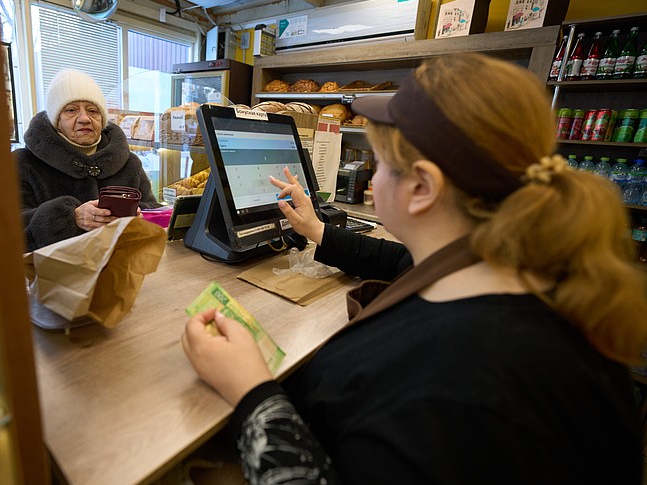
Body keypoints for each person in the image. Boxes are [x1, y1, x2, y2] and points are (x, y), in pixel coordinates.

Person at [181, 53, 647, 484]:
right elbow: (400, 260)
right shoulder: (516, 267)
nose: (373, 176)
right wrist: (317, 230)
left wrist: (252, 391)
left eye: (379, 164)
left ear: (422, 187)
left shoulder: (452, 389)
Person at [14, 68, 158, 251]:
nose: (84, 119)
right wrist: (69, 218)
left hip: (121, 271)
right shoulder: (23, 163)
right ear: (55, 120)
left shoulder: (129, 163)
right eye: (71, 110)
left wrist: (137, 219)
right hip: (52, 275)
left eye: (93, 111)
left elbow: (153, 210)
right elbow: (8, 228)